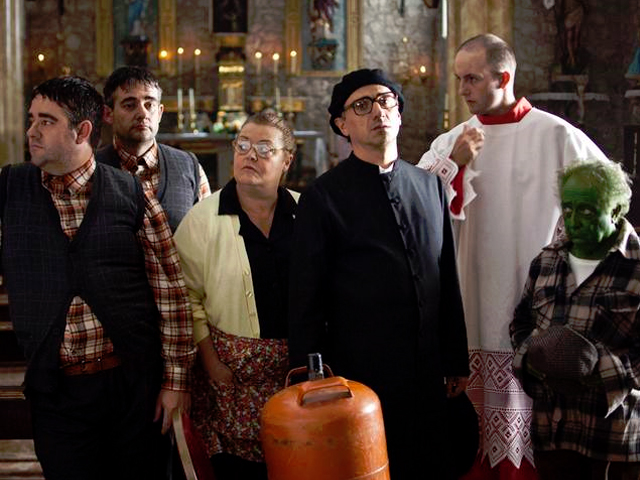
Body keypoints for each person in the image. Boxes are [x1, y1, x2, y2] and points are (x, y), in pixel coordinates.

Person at [417, 33, 608, 478]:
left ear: (503, 78)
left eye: (472, 78)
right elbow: (411, 211)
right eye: (459, 78)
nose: (462, 89)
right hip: (468, 302)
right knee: (469, 444)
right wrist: (453, 165)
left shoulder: (557, 136)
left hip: (535, 305)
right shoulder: (451, 142)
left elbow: (605, 206)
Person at [0, 76, 195, 480]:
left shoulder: (132, 193)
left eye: (47, 121)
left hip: (132, 388)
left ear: (82, 130)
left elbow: (171, 295)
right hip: (56, 391)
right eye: (32, 119)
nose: (32, 131)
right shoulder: (10, 188)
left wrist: (176, 383)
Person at [288, 68, 470, 480]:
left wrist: (455, 357)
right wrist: (312, 377)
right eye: (362, 105)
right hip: (360, 373)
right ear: (342, 124)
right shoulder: (322, 197)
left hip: (427, 369)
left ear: (399, 114)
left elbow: (446, 277)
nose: (378, 111)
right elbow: (305, 298)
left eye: (386, 100)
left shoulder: (429, 186)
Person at [174, 112, 298, 480]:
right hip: (230, 377)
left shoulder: (307, 211)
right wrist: (212, 363)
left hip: (295, 374)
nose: (250, 155)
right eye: (242, 145)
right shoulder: (201, 219)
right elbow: (187, 298)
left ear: (287, 160)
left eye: (264, 148)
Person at [510, 158, 640, 480]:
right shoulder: (546, 261)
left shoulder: (636, 266)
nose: (573, 221)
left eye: (586, 211)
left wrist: (600, 371)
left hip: (614, 440)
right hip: (553, 435)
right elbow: (521, 321)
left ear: (615, 210)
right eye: (567, 209)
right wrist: (533, 356)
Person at [98, 65, 211, 232]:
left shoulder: (189, 166)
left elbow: (207, 235)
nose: (143, 114)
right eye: (129, 105)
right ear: (108, 114)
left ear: (159, 113)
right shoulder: (91, 170)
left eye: (149, 104)